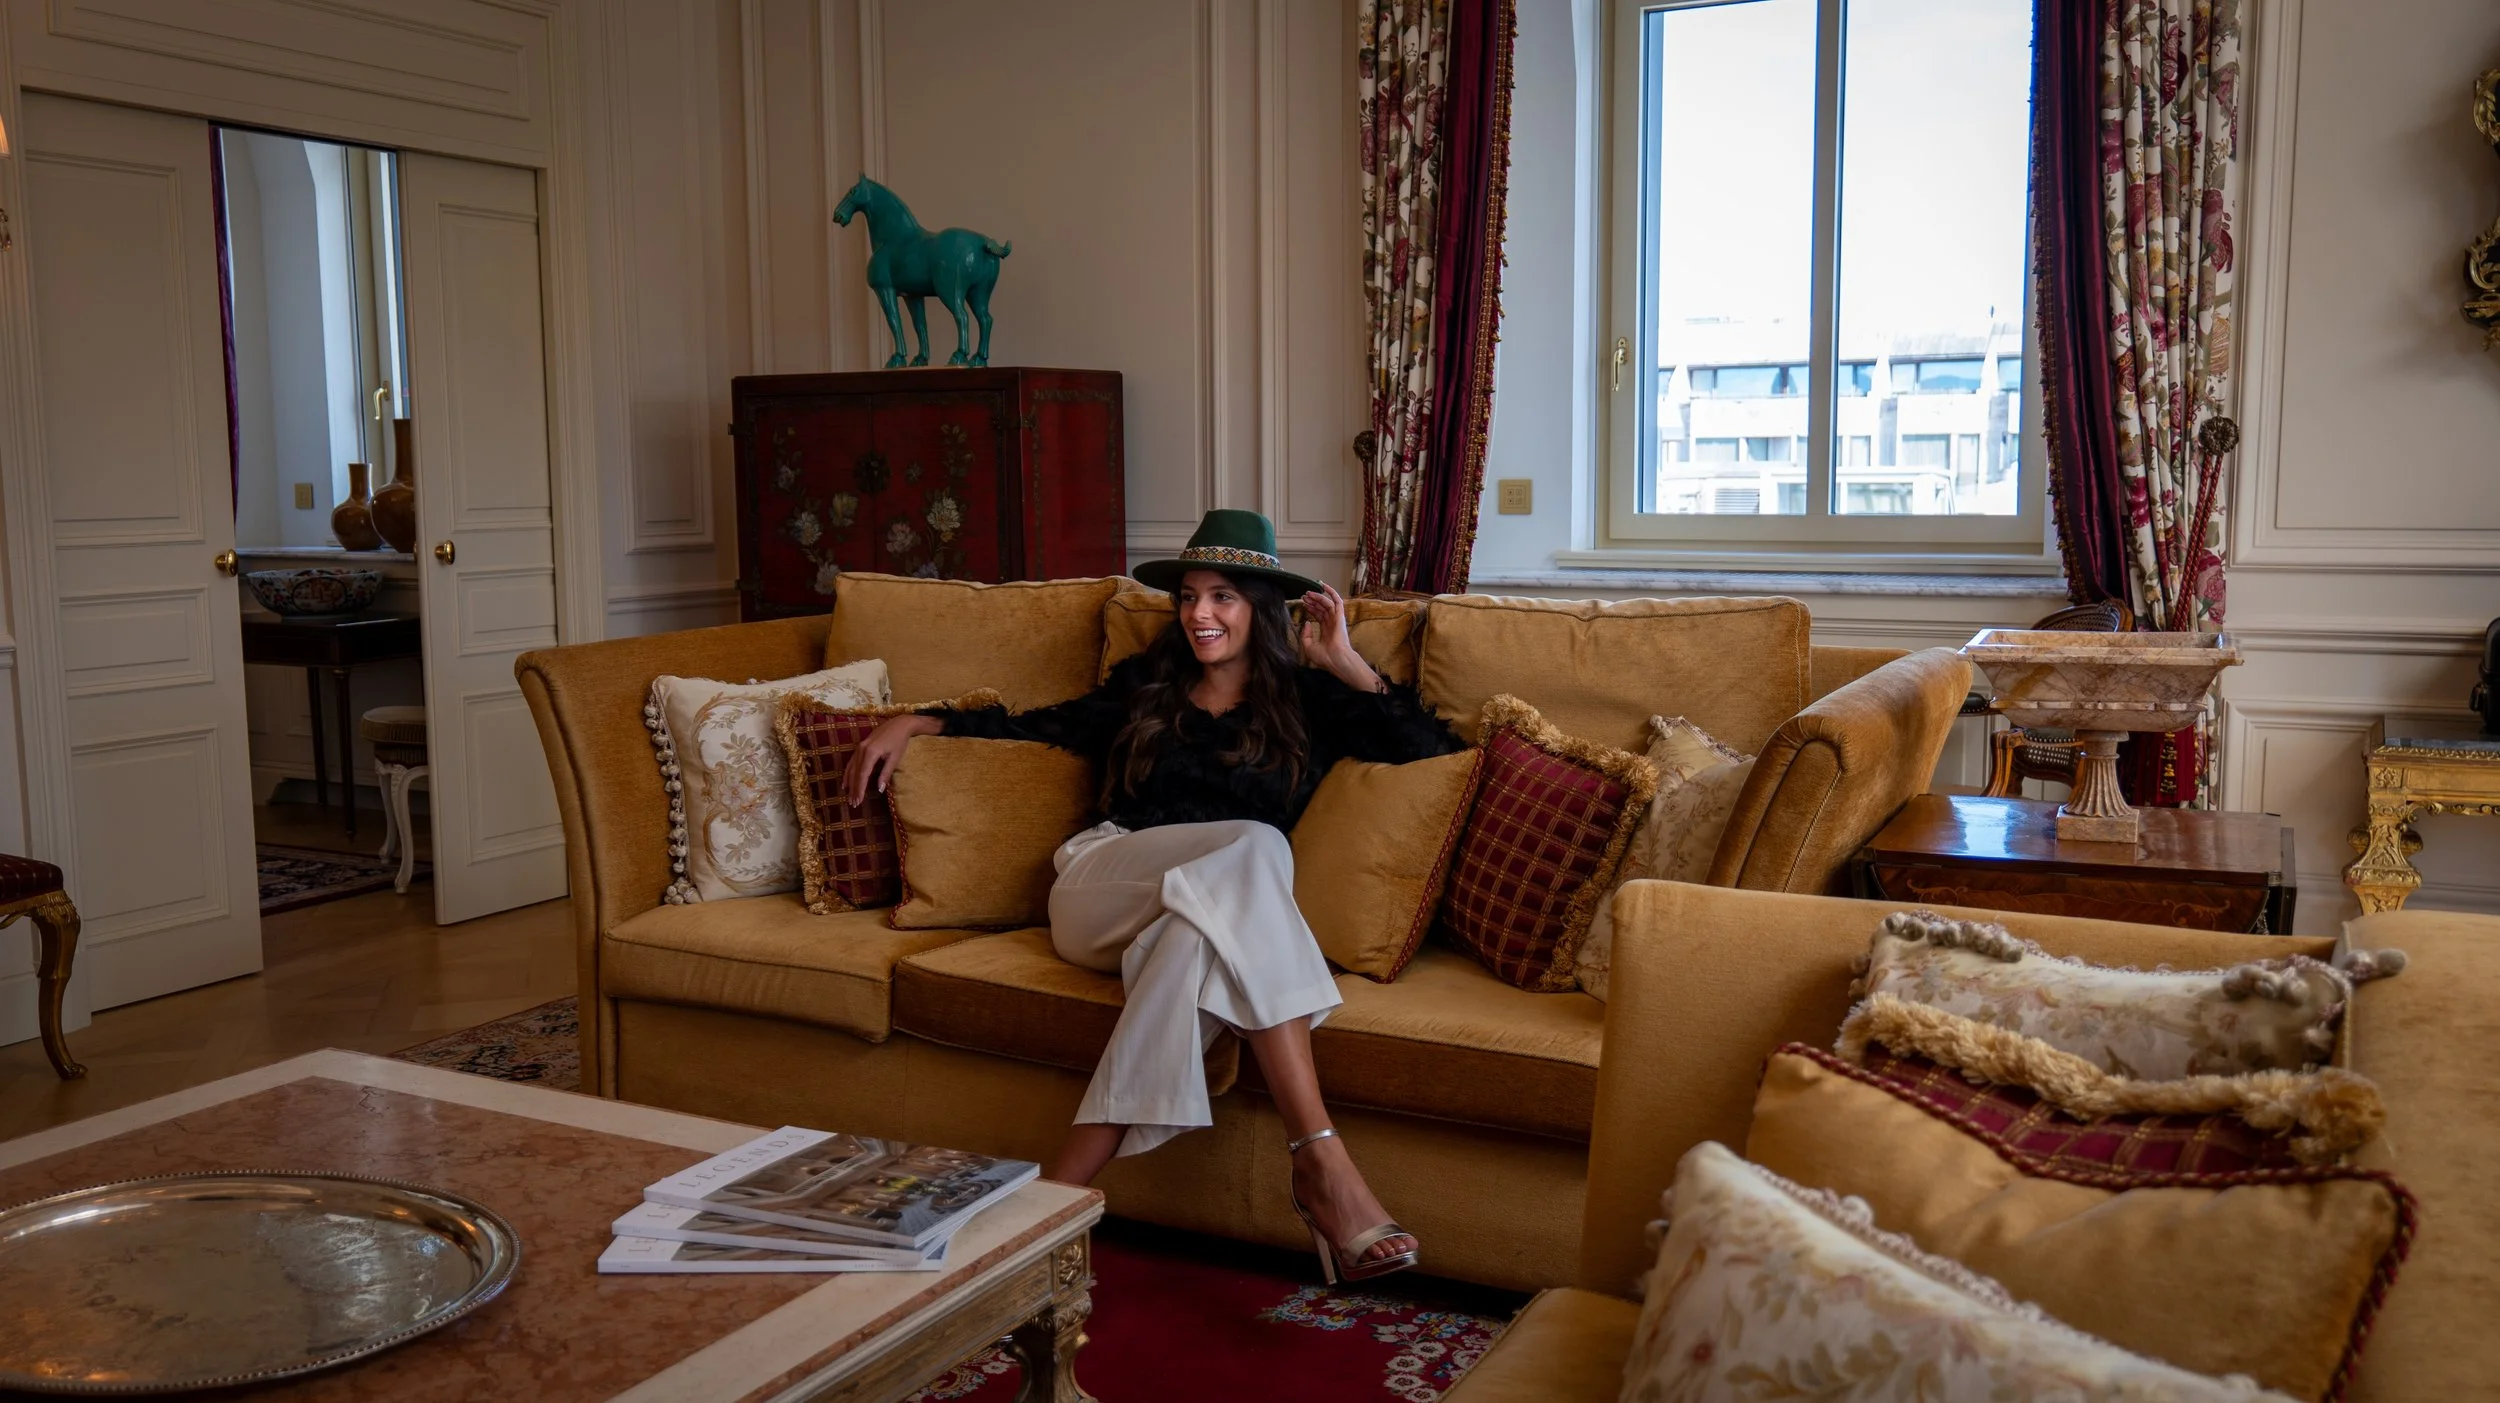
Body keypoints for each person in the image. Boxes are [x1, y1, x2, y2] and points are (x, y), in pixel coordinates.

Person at [844, 509, 1460, 1284]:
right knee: (1260, 845)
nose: (1201, 613)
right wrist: (920, 719)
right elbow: (1037, 726)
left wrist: (1344, 661)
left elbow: (1432, 753)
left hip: (1200, 910)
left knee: (1192, 946)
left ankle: (1049, 1210)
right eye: (1190, 596)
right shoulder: (1147, 685)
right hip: (1103, 888)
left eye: (1223, 596)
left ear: (1260, 608)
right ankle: (1320, 1156)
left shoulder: (1309, 699)